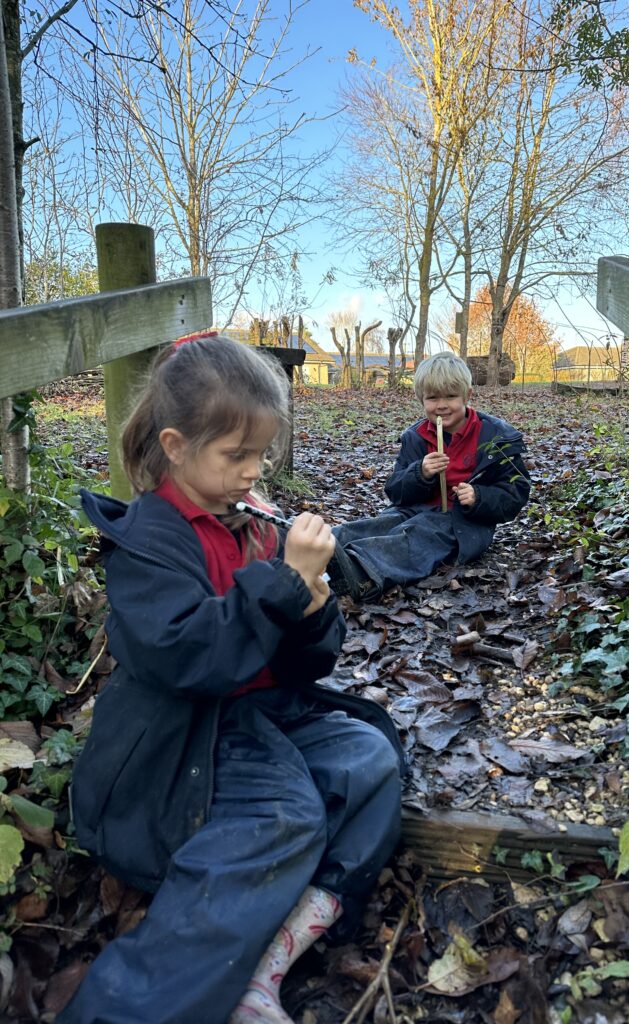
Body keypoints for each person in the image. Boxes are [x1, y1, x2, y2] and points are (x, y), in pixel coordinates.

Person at [58, 333, 403, 1024]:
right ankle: (128, 1007)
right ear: (177, 445)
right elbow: (189, 657)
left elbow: (309, 658)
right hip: (190, 733)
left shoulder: (253, 522)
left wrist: (310, 609)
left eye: (261, 455)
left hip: (269, 711)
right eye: (235, 455)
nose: (253, 471)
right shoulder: (149, 538)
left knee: (369, 759)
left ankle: (270, 957)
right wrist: (281, 587)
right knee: (283, 817)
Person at [328, 351, 531, 602]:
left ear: (467, 395)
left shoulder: (495, 437)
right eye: (433, 398)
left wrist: (479, 497)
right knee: (384, 523)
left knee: (419, 534)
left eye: (451, 396)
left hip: (464, 523)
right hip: (415, 509)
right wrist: (420, 473)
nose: (442, 405)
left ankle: (361, 573)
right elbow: (396, 492)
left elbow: (516, 492)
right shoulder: (417, 436)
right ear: (421, 399)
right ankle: (322, 548)